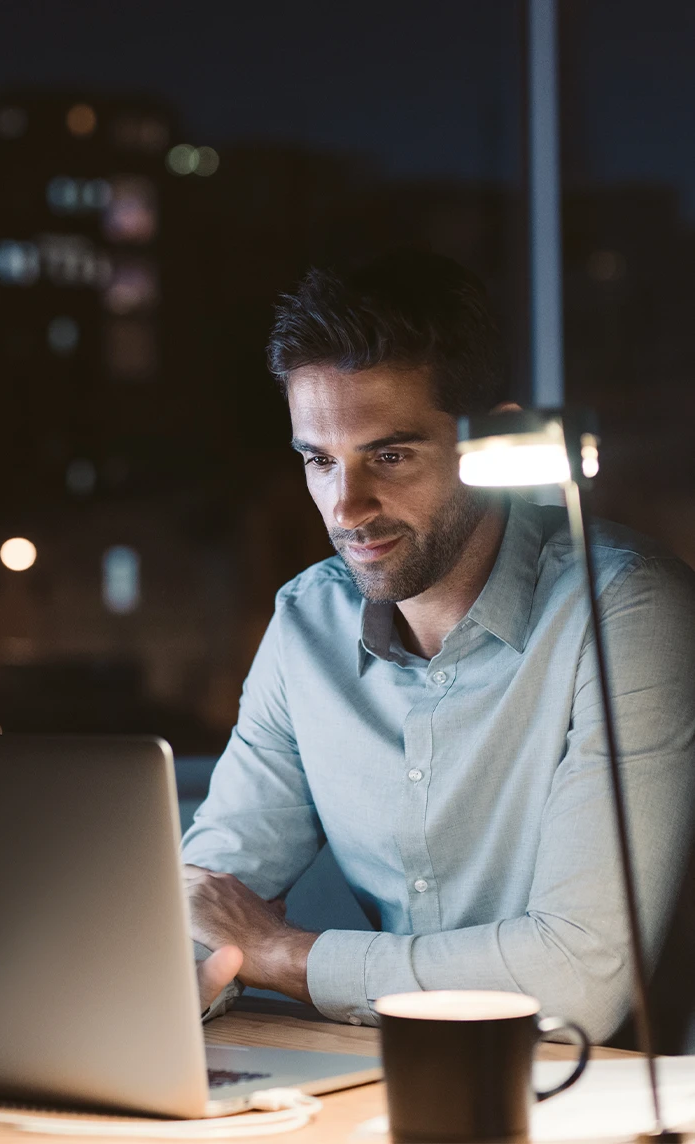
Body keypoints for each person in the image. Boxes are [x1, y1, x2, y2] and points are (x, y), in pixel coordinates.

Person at [181, 249, 695, 1043]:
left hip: (587, 1094)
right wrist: (194, 968)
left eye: (389, 455)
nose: (347, 507)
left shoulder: (624, 611)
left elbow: (577, 980)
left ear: (489, 442)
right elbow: (201, 901)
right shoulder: (306, 625)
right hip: (370, 1077)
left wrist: (282, 955)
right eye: (320, 460)